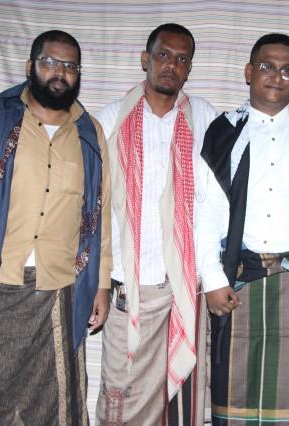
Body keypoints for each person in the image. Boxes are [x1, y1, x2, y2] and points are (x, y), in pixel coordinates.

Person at [0, 30, 111, 425]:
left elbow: (101, 213)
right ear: (30, 66)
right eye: (50, 62)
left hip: (60, 287)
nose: (60, 73)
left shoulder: (89, 133)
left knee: (55, 399)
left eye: (70, 66)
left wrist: (102, 284)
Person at [196, 33, 289, 425]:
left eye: (287, 70)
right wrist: (212, 278)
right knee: (234, 391)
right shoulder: (222, 132)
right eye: (267, 66)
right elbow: (207, 210)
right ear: (249, 72)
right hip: (237, 277)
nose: (276, 76)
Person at [93, 23, 218, 425]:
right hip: (130, 286)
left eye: (182, 59)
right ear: (145, 59)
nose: (172, 65)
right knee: (122, 394)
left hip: (184, 286)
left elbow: (247, 150)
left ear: (189, 69)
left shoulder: (205, 118)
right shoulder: (110, 119)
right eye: (164, 54)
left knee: (181, 402)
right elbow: (91, 204)